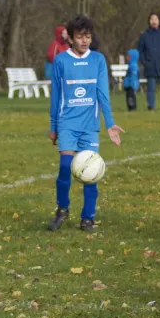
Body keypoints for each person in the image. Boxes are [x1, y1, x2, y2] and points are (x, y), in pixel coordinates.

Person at [48, 15, 124, 232]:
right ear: (70, 39)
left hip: (89, 126)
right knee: (65, 168)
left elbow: (103, 94)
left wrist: (109, 123)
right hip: (67, 124)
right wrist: (53, 127)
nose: (85, 41)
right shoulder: (61, 61)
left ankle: (88, 217)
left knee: (91, 173)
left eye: (88, 37)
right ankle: (62, 210)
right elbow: (56, 96)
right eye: (80, 37)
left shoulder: (98, 60)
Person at [137, 12, 160, 110]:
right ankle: (151, 106)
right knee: (151, 89)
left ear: (159, 21)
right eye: (152, 19)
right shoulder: (144, 35)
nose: (154, 21)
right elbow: (140, 51)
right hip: (150, 66)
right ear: (149, 21)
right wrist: (145, 63)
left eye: (155, 19)